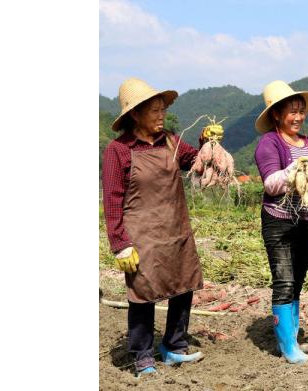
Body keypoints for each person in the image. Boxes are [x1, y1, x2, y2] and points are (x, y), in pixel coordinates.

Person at [102, 77, 217, 377]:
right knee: (143, 292)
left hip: (175, 227)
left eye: (162, 108)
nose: (160, 114)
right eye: (153, 110)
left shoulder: (170, 140)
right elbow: (112, 200)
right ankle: (141, 354)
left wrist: (207, 143)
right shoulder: (119, 150)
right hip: (141, 234)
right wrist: (119, 242)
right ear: (135, 114)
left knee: (183, 284)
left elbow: (195, 161)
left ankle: (174, 345)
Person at [253, 80, 308, 364]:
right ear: (277, 114)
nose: (298, 117)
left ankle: (293, 338)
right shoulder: (269, 143)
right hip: (278, 223)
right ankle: (287, 346)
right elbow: (270, 184)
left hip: (305, 223)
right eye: (292, 111)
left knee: (297, 282)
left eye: (301, 111)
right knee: (284, 280)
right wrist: (294, 169)